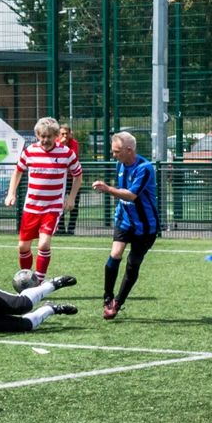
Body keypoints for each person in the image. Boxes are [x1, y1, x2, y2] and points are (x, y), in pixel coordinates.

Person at [4, 117, 82, 283]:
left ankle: (38, 282)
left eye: (49, 136)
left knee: (43, 244)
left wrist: (71, 198)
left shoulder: (67, 153)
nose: (45, 140)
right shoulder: (29, 151)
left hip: (52, 207)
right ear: (37, 135)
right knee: (23, 247)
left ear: (56, 136)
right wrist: (11, 193)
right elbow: (17, 172)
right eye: (42, 136)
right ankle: (26, 279)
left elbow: (78, 175)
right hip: (31, 207)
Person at [91, 131, 159, 320]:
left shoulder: (145, 168)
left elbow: (131, 195)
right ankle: (107, 297)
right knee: (115, 254)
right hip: (124, 220)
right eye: (113, 151)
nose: (114, 155)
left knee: (132, 263)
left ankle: (118, 302)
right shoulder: (119, 164)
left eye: (117, 151)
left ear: (129, 150)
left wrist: (107, 189)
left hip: (145, 226)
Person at [57, 124, 82, 235]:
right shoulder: (56, 143)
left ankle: (71, 228)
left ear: (70, 134)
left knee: (74, 204)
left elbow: (72, 157)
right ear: (58, 134)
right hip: (61, 178)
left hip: (73, 178)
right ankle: (61, 228)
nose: (65, 136)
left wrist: (63, 146)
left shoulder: (74, 143)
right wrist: (60, 144)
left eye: (67, 134)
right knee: (59, 203)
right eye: (62, 134)